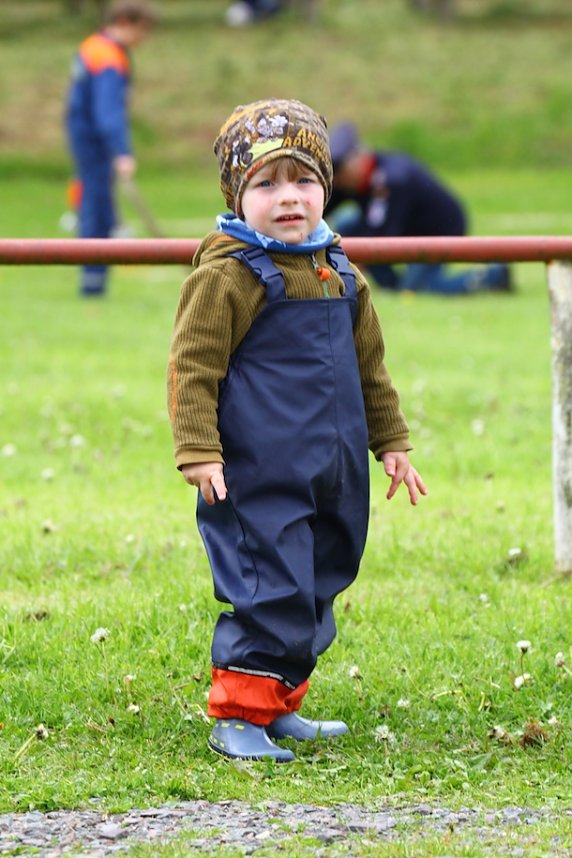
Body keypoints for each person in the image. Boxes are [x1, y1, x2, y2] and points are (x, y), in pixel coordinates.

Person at [167, 98, 427, 762]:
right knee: (270, 586)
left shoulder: (338, 269)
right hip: (257, 471)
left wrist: (391, 442)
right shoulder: (229, 273)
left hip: (333, 469)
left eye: (304, 181)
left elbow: (370, 366)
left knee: (320, 577)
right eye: (266, 184)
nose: (289, 198)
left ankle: (279, 703)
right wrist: (198, 449)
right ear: (236, 193)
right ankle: (237, 715)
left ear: (327, 190)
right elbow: (193, 364)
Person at [326, 122, 513, 296]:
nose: (338, 181)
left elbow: (380, 240)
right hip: (402, 227)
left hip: (439, 231)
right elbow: (321, 212)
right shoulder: (351, 180)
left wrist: (339, 276)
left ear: (358, 160)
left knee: (421, 289)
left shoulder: (393, 180)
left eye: (341, 171)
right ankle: (393, 285)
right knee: (346, 226)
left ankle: (494, 275)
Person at [65, 0, 156, 297]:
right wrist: (121, 151)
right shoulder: (108, 58)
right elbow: (108, 112)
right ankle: (92, 285)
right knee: (98, 212)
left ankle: (93, 283)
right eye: (143, 31)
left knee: (93, 206)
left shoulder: (92, 45)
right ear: (127, 23)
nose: (144, 39)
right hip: (96, 142)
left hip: (82, 137)